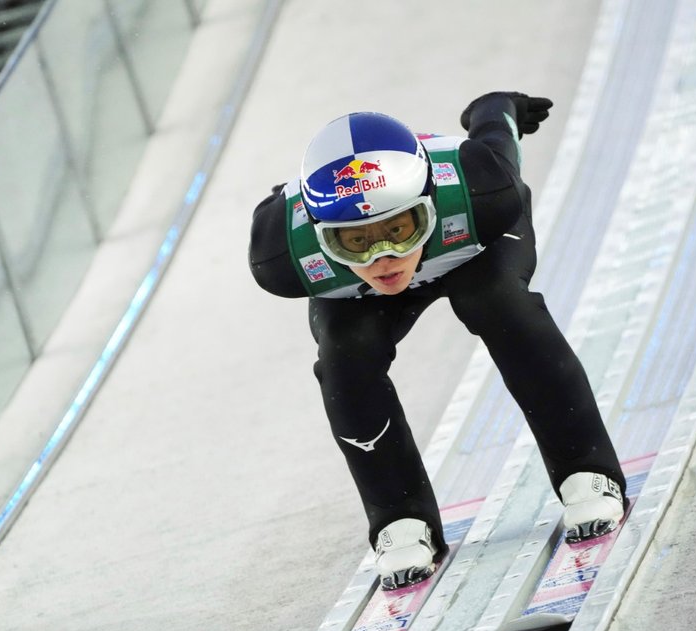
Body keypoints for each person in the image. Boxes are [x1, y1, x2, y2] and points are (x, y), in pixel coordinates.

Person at [248, 92, 627, 590]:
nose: (385, 257)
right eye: (356, 239)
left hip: (470, 248)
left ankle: (586, 468)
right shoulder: (281, 253)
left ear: (430, 203)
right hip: (361, 286)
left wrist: (496, 110)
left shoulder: (482, 188)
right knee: (345, 357)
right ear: (320, 237)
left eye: (401, 228)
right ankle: (399, 518)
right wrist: (392, 241)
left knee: (497, 302)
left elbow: (496, 142)